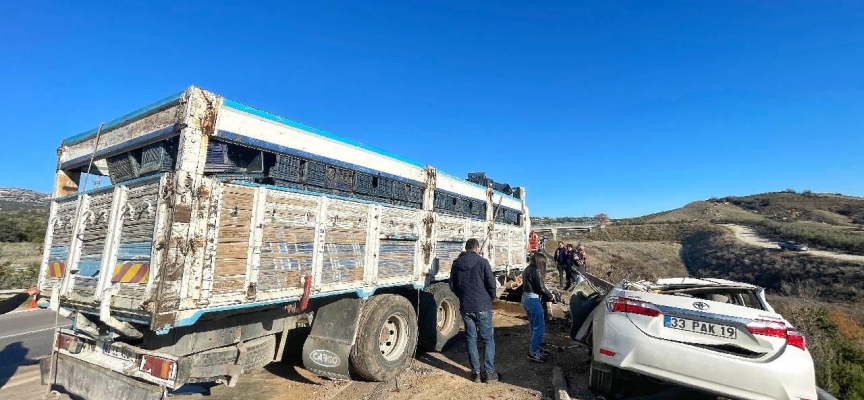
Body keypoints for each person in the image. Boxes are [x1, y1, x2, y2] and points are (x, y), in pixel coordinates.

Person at [449, 238, 498, 383]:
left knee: (471, 339)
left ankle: (475, 374)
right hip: (482, 306)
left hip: (466, 306)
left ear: (466, 248)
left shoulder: (456, 263)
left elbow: (452, 285)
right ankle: (489, 373)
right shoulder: (483, 262)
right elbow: (491, 284)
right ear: (477, 248)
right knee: (488, 339)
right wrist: (491, 297)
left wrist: (462, 297)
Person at [521, 252, 555, 362]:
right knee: (539, 326)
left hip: (526, 297)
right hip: (533, 299)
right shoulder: (536, 270)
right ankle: (533, 351)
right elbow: (541, 288)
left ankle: (535, 347)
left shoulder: (527, 269)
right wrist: (551, 296)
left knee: (533, 325)